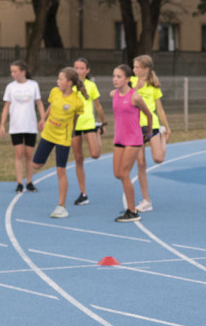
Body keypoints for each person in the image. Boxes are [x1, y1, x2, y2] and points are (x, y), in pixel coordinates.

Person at [32, 67, 86, 219]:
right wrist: (43, 119)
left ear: (69, 82)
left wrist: (70, 133)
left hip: (63, 138)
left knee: (60, 171)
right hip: (48, 134)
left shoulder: (77, 101)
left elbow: (75, 121)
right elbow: (50, 106)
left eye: (60, 79)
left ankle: (61, 206)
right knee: (36, 165)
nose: (58, 81)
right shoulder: (55, 92)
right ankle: (45, 157)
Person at [109, 65, 153, 223]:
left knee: (124, 173)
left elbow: (148, 114)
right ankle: (131, 208)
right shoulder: (113, 94)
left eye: (119, 76)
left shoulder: (135, 97)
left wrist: (148, 132)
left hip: (133, 139)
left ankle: (132, 211)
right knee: (117, 173)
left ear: (127, 79)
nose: (115, 79)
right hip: (119, 139)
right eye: (114, 76)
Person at [130, 55, 170, 213]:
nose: (134, 70)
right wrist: (136, 89)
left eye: (137, 67)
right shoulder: (131, 82)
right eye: (133, 67)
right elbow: (126, 98)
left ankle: (162, 137)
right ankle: (146, 200)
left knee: (158, 158)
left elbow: (159, 109)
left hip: (151, 126)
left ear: (146, 69)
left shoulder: (153, 86)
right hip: (136, 127)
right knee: (141, 163)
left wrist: (166, 127)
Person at [0, 60, 45, 194]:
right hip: (16, 126)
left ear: (23, 72)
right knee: (19, 154)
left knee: (29, 155)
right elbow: (6, 106)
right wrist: (2, 124)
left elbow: (39, 103)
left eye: (15, 71)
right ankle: (19, 183)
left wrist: (43, 119)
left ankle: (30, 182)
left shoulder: (33, 85)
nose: (12, 74)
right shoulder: (10, 87)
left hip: (30, 125)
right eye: (11, 71)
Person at [70, 57, 107, 207]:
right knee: (78, 159)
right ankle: (83, 193)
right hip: (73, 126)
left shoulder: (91, 86)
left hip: (89, 123)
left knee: (95, 154)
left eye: (81, 68)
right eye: (76, 68)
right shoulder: (69, 85)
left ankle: (97, 132)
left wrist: (103, 123)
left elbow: (98, 107)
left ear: (87, 70)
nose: (78, 71)